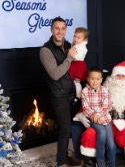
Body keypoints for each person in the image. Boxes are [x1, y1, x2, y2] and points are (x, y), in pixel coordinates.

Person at [73, 61, 125, 167]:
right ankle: (89, 164)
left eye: (124, 76)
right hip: (104, 121)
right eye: (118, 75)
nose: (120, 78)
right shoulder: (104, 89)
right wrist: (81, 115)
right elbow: (91, 103)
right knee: (89, 134)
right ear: (113, 76)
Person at [40, 16, 79, 167]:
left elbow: (74, 68)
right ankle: (61, 160)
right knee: (65, 129)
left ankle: (71, 154)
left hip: (72, 92)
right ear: (51, 29)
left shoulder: (69, 45)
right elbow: (55, 74)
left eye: (63, 28)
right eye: (57, 28)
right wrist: (69, 58)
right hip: (59, 94)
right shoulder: (45, 50)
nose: (60, 31)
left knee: (73, 127)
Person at [81, 67, 116, 167]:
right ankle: (100, 162)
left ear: (101, 80)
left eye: (97, 79)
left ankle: (111, 164)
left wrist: (99, 114)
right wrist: (94, 115)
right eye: (92, 79)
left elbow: (107, 106)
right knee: (101, 132)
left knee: (111, 144)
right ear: (88, 79)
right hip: (93, 118)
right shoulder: (84, 92)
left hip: (105, 118)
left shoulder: (104, 90)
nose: (95, 81)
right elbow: (86, 108)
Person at [68, 27, 88, 100]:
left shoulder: (83, 48)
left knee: (77, 81)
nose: (75, 39)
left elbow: (77, 57)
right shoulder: (76, 44)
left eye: (78, 38)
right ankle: (74, 94)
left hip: (78, 65)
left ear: (84, 39)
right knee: (72, 81)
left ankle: (78, 96)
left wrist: (70, 54)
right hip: (74, 64)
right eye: (75, 36)